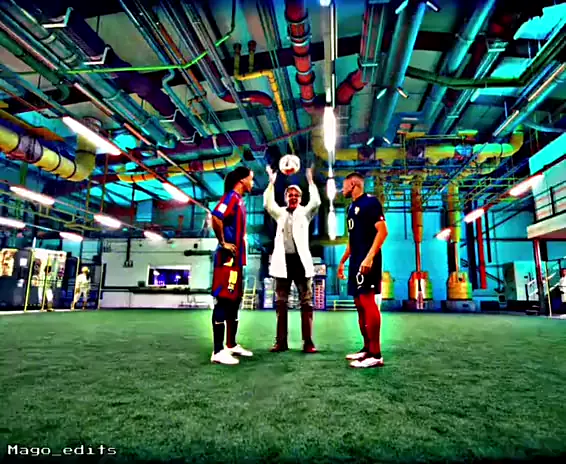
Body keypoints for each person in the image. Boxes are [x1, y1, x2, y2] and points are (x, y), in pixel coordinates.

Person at [264, 164, 321, 353]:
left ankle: (308, 343)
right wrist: (271, 183)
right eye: (290, 195)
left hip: (301, 263)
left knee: (307, 303)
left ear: (301, 198)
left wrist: (310, 181)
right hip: (283, 263)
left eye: (296, 195)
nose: (293, 197)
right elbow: (268, 204)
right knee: (281, 303)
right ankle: (281, 342)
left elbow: (316, 202)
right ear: (286, 197)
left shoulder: (305, 213)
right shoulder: (280, 213)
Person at [338, 172, 389, 368]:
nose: (342, 189)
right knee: (359, 304)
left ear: (353, 184)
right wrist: (343, 261)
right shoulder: (351, 208)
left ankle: (376, 354)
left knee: (367, 301)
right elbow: (352, 241)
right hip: (356, 261)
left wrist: (369, 257)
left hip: (368, 260)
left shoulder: (371, 202)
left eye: (344, 185)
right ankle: (367, 348)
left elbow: (383, 231)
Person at [210, 166, 254, 365]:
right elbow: (216, 217)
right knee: (223, 301)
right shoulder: (230, 198)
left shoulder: (239, 200)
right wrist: (223, 243)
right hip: (226, 261)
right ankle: (217, 351)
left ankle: (231, 345)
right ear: (242, 180)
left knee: (234, 301)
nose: (252, 182)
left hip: (236, 262)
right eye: (251, 178)